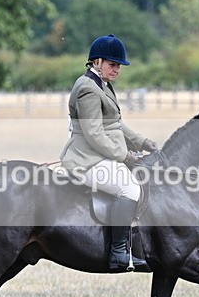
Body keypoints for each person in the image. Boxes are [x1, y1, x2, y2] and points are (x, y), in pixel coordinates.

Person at [59, 34, 158, 272]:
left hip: (101, 154)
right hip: (87, 158)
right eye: (113, 64)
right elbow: (94, 133)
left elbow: (115, 124)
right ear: (97, 62)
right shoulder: (87, 89)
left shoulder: (101, 85)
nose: (116, 70)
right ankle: (119, 253)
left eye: (118, 66)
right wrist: (124, 156)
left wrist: (143, 142)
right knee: (130, 188)